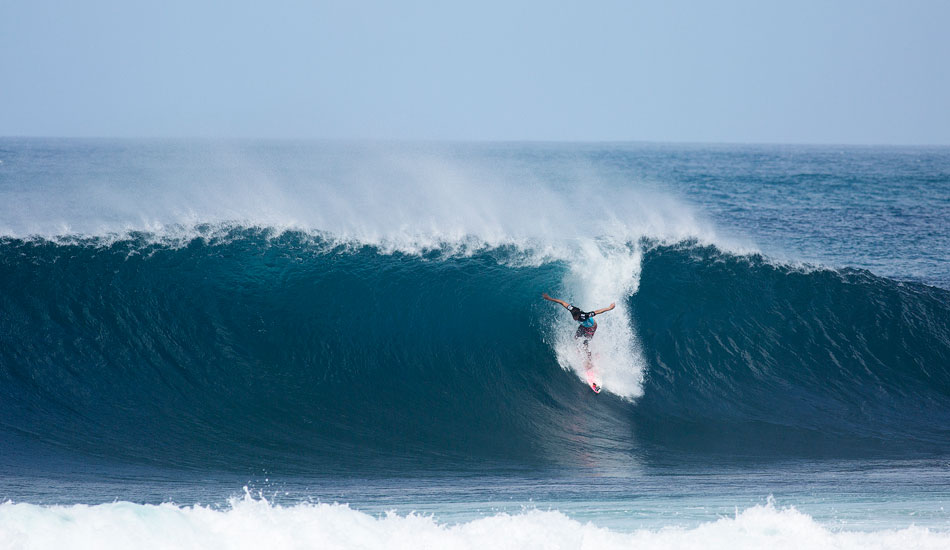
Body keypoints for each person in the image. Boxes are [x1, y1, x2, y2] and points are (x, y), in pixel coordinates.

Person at [541, 293, 615, 356]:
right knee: (576, 337)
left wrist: (609, 308)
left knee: (585, 344)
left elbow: (597, 311)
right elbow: (562, 302)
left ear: (579, 315)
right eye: (573, 317)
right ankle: (579, 350)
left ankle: (589, 361)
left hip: (591, 327)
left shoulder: (584, 315)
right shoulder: (572, 309)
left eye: (575, 317)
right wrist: (549, 298)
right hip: (583, 325)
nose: (574, 319)